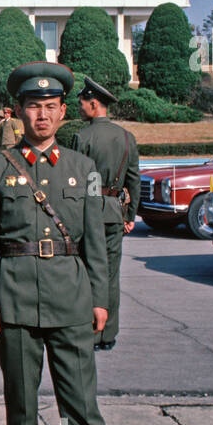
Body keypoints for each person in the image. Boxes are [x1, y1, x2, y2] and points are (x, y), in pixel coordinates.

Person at [0, 63, 141, 425]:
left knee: (83, 411)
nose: (41, 115)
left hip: (71, 300)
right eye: (33, 106)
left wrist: (103, 301)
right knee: (21, 403)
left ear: (63, 112)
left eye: (50, 107)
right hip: (16, 298)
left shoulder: (82, 169)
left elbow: (97, 243)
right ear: (18, 111)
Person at [67, 75, 139, 352]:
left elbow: (74, 180)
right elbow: (134, 179)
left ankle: (88, 329)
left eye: (82, 102)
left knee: (87, 271)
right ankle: (108, 333)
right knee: (110, 274)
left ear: (94, 103)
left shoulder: (81, 137)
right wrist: (130, 215)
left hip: (88, 211)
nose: (79, 107)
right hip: (113, 212)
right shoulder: (125, 137)